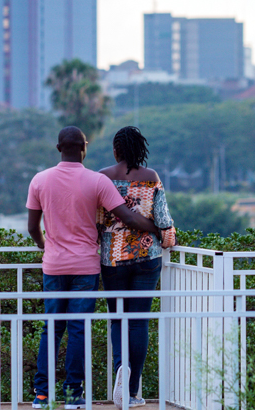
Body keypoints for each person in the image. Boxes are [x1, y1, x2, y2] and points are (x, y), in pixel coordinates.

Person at [27, 126, 162, 410]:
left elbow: (32, 227)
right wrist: (161, 230)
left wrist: (44, 244)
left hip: (53, 266)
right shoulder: (96, 182)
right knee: (78, 328)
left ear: (58, 148)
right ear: (84, 148)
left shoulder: (39, 180)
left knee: (51, 328)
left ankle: (41, 395)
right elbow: (127, 217)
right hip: (85, 266)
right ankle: (74, 396)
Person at [98, 126, 176, 409]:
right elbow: (164, 220)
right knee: (139, 321)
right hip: (147, 258)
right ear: (139, 150)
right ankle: (132, 392)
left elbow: (96, 220)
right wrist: (167, 240)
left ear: (116, 150)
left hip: (113, 260)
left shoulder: (103, 177)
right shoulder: (151, 177)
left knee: (118, 318)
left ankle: (122, 368)